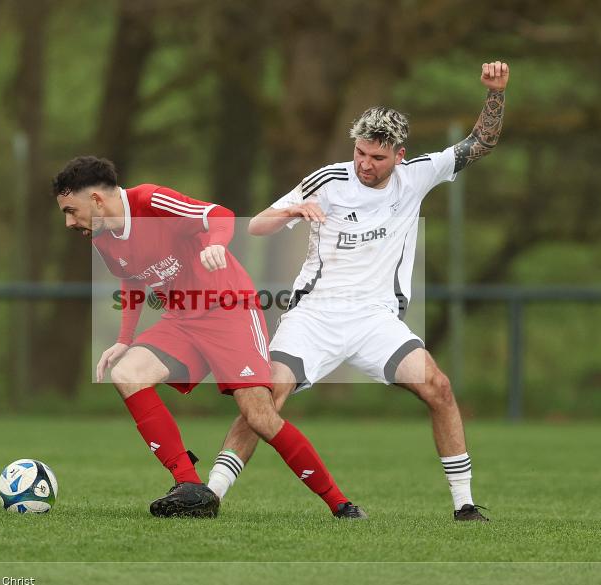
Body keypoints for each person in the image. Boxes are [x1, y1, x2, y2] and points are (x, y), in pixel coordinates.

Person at [204, 61, 510, 522]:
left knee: (440, 389)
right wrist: (294, 210)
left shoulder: (419, 176)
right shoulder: (328, 179)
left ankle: (464, 505)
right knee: (264, 398)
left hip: (375, 319)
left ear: (400, 156)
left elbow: (480, 143)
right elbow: (260, 226)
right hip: (315, 315)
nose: (365, 164)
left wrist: (496, 94)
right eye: (360, 153)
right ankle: (210, 495)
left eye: (377, 158)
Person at [53, 156, 366, 519]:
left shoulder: (151, 201)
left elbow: (218, 215)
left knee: (260, 417)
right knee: (127, 373)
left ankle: (339, 502)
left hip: (228, 308)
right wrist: (125, 339)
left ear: (95, 200)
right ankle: (189, 485)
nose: (69, 221)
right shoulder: (104, 239)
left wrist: (216, 243)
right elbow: (132, 280)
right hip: (182, 319)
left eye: (71, 210)